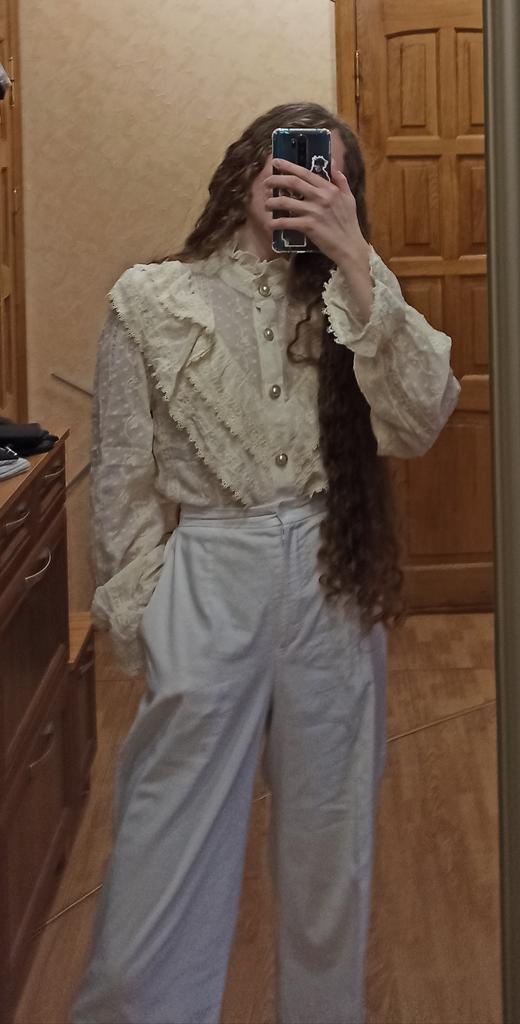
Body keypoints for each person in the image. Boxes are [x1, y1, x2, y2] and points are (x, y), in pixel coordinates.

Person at [71, 102, 460, 1024]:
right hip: (209, 573)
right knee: (162, 852)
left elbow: (423, 416)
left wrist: (356, 257)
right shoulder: (151, 301)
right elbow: (122, 484)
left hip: (330, 579)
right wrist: (152, 617)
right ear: (246, 165)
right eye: (287, 160)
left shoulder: (354, 299)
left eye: (328, 173)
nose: (301, 180)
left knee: (333, 851)